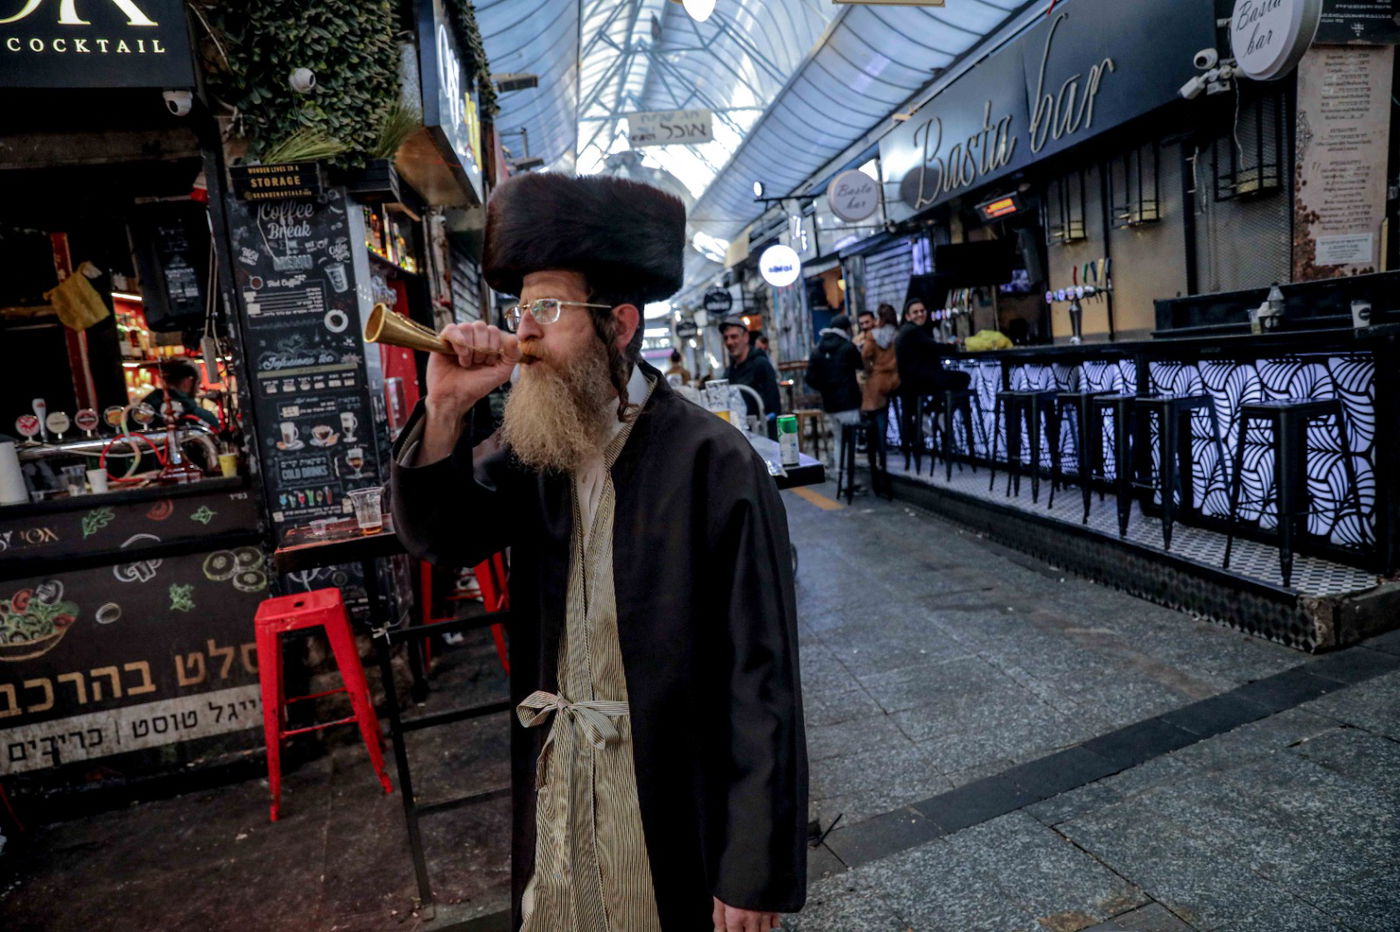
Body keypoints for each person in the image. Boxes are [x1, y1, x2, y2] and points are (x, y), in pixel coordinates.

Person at [390, 173, 807, 932]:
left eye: (547, 309)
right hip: (560, 787)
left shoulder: (714, 462)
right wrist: (446, 405)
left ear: (618, 326)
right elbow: (442, 537)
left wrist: (754, 865)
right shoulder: (535, 445)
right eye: (522, 310)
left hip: (672, 796)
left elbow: (762, 674)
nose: (525, 335)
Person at [804, 315, 863, 491]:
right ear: (847, 329)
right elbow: (861, 366)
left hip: (830, 403)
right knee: (849, 443)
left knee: (838, 440)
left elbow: (810, 378)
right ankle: (850, 481)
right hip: (849, 402)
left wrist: (825, 388)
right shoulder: (847, 347)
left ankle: (841, 479)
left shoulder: (818, 349)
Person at [861, 304, 900, 492]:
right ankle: (884, 465)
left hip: (876, 383)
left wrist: (869, 369)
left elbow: (864, 355)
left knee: (875, 429)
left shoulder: (873, 335)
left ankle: (877, 470)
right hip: (894, 380)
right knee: (884, 428)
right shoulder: (897, 334)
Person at [720, 316, 782, 437]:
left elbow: (775, 407)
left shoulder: (760, 364)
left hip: (763, 436)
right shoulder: (729, 371)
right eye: (726, 338)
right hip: (739, 436)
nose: (729, 342)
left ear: (746, 337)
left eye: (734, 337)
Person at [140, 359, 219, 430]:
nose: (198, 390)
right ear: (187, 382)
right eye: (197, 384)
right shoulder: (203, 417)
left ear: (163, 381)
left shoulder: (140, 414)